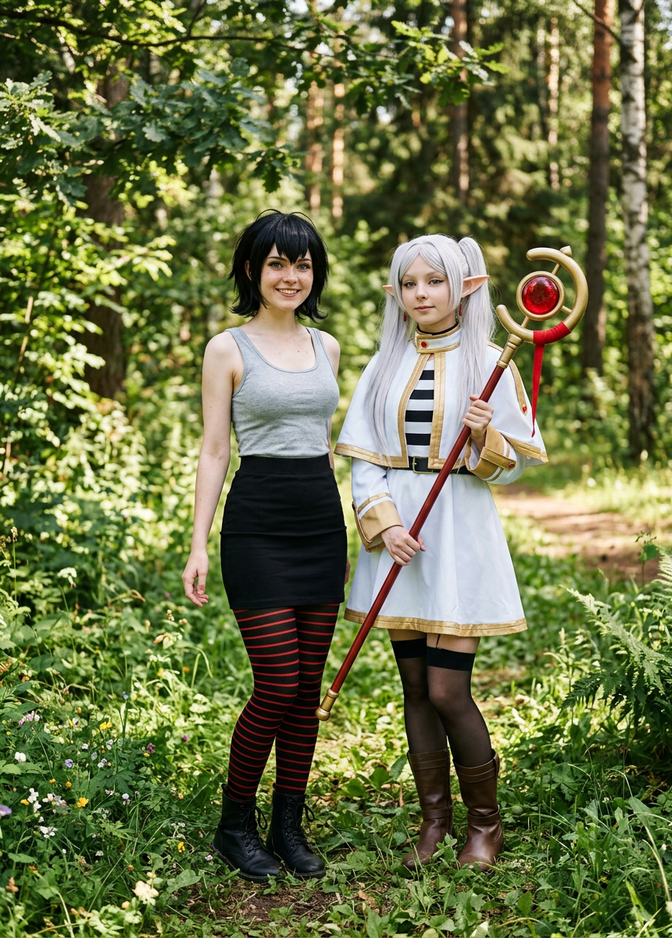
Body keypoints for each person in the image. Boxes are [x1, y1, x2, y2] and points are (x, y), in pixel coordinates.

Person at [335, 234, 547, 872]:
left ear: (464, 288)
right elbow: (364, 460)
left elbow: (511, 467)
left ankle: (485, 824)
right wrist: (385, 526)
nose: (421, 294)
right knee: (413, 687)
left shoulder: (492, 363)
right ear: (395, 293)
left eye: (434, 281)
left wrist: (484, 436)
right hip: (402, 538)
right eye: (409, 283)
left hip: (457, 533)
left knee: (448, 689)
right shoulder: (384, 364)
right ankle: (434, 820)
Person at [182, 210, 347, 882]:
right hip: (257, 526)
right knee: (277, 681)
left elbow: (325, 443)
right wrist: (198, 543)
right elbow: (215, 449)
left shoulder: (327, 346)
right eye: (277, 263)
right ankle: (234, 825)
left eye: (302, 265)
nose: (290, 276)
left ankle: (288, 824)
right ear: (253, 270)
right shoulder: (227, 348)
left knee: (306, 689)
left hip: (321, 525)